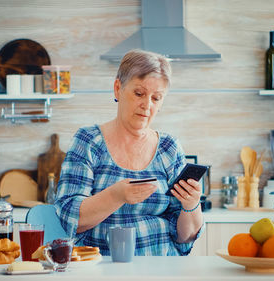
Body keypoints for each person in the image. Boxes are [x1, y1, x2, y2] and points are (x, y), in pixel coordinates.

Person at [54, 49, 204, 256]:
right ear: (118, 88)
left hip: (163, 267)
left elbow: (185, 237)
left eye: (156, 98)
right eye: (139, 93)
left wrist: (191, 205)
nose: (147, 105)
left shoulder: (169, 148)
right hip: (102, 268)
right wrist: (117, 195)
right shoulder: (89, 142)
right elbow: (71, 218)